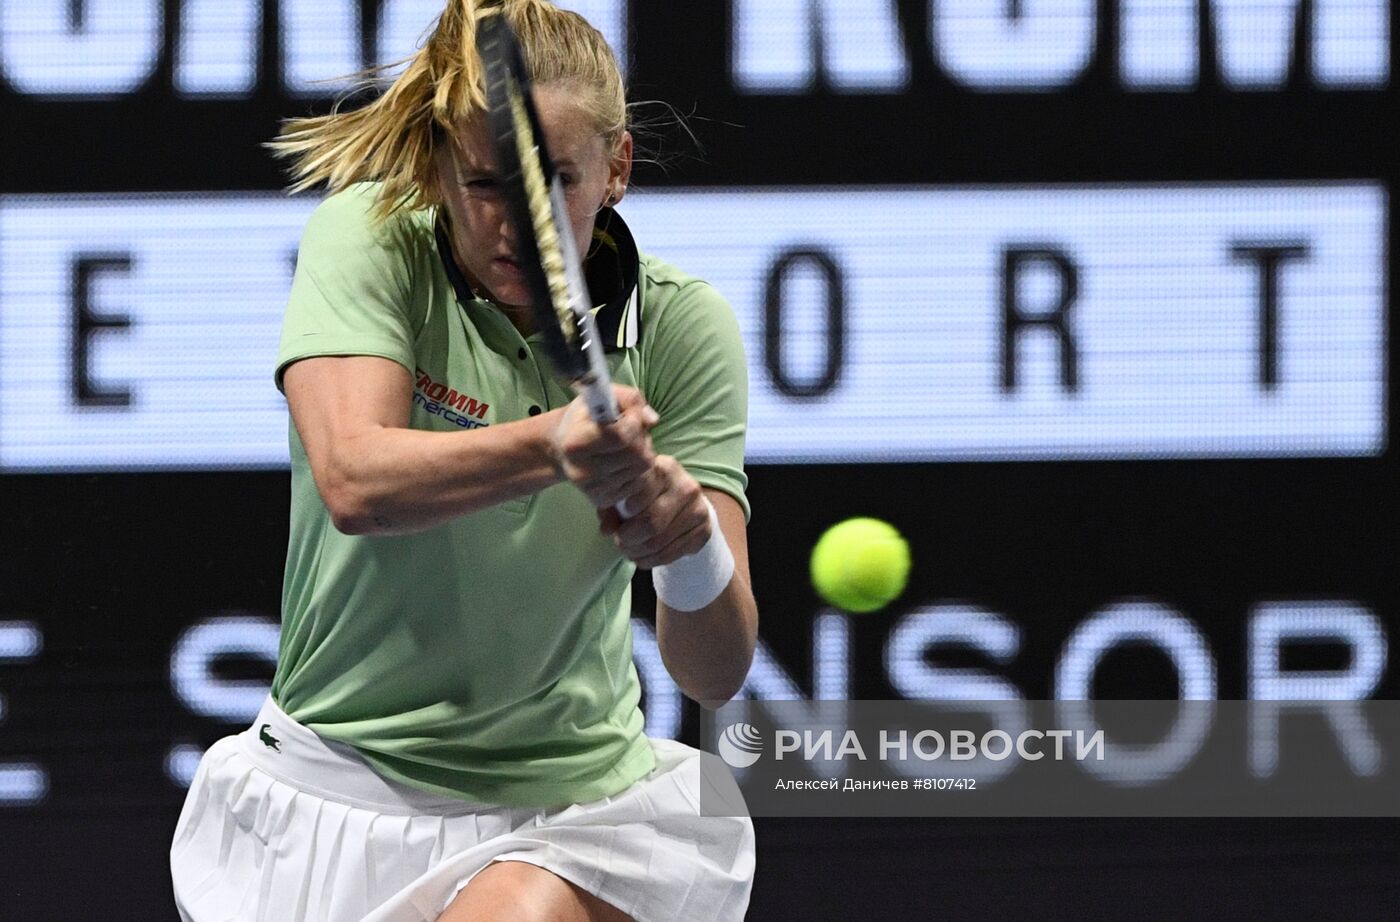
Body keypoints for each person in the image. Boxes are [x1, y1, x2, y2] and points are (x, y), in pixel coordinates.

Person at [169, 1, 758, 919]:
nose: (519, 225)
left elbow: (715, 674)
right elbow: (354, 483)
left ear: (617, 169)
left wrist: (689, 550)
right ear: (440, 171)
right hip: (334, 795)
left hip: (577, 813)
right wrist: (549, 444)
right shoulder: (368, 240)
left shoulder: (686, 329)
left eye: (557, 178)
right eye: (486, 185)